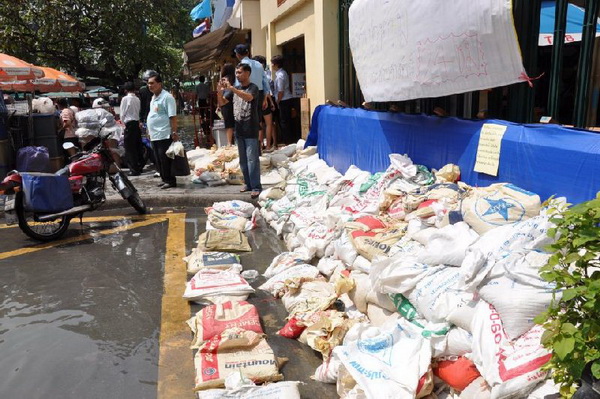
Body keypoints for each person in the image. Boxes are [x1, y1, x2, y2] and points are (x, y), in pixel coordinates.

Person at [217, 63, 261, 198]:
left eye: (240, 72)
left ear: (248, 73)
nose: (238, 75)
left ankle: (256, 186)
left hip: (251, 129)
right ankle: (248, 184)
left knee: (252, 159)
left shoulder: (253, 88)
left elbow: (248, 97)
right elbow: (223, 103)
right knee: (243, 160)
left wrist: (232, 89)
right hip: (239, 129)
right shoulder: (234, 89)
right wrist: (219, 92)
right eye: (236, 73)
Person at [147, 74, 178, 189]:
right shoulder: (153, 97)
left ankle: (170, 180)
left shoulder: (167, 97)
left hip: (164, 133)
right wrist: (148, 131)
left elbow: (173, 116)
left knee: (165, 159)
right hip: (155, 134)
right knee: (158, 159)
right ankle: (164, 178)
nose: (149, 85)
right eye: (148, 83)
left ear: (159, 84)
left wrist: (174, 132)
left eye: (152, 83)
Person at [234, 44, 269, 146]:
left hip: (246, 92)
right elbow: (265, 81)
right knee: (258, 120)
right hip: (260, 92)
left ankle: (250, 145)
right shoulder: (258, 64)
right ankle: (259, 145)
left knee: (246, 120)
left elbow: (237, 84)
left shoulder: (240, 67)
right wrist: (265, 98)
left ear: (237, 54)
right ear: (248, 53)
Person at [120, 82, 144, 176]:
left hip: (129, 124)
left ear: (125, 90)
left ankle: (134, 169)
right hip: (136, 123)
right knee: (137, 146)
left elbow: (122, 113)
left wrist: (122, 124)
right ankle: (139, 166)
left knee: (129, 148)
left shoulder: (125, 99)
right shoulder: (137, 99)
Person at [253, 55, 276, 151]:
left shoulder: (252, 75)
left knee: (259, 124)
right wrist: (270, 102)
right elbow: (267, 90)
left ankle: (260, 145)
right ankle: (268, 146)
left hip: (254, 101)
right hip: (264, 100)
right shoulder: (264, 74)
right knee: (268, 123)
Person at [271, 55, 294, 144]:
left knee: (284, 122)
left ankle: (287, 141)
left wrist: (277, 101)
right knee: (285, 121)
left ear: (276, 64)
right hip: (285, 100)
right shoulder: (281, 73)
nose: (272, 65)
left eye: (272, 63)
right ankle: (287, 140)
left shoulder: (280, 75)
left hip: (284, 100)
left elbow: (281, 91)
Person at [218, 63, 236, 146]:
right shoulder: (235, 78)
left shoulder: (224, 79)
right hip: (234, 101)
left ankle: (229, 143)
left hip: (225, 101)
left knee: (228, 124)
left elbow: (221, 92)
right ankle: (236, 142)